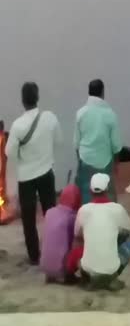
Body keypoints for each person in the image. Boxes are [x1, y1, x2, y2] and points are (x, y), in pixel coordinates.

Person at [5, 82, 62, 265]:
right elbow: (59, 140)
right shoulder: (50, 118)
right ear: (37, 97)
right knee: (51, 215)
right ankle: (54, 249)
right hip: (46, 172)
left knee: (28, 220)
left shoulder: (17, 126)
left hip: (26, 177)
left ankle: (34, 257)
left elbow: (9, 153)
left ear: (23, 101)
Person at [75, 173, 130, 291]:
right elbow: (129, 229)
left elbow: (77, 234)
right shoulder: (117, 209)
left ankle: (89, 279)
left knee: (80, 247)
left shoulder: (83, 209)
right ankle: (112, 278)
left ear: (91, 191)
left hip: (87, 267)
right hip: (111, 268)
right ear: (107, 189)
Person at [74, 79, 122, 204]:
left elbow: (76, 143)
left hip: (85, 160)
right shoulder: (110, 114)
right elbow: (116, 145)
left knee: (86, 195)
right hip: (105, 162)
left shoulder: (80, 114)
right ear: (102, 92)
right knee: (108, 196)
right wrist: (116, 164)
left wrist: (80, 162)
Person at [40, 184, 81, 284]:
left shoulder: (49, 212)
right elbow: (76, 239)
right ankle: (69, 276)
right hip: (62, 270)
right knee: (80, 243)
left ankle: (51, 275)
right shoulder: (72, 218)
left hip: (44, 267)